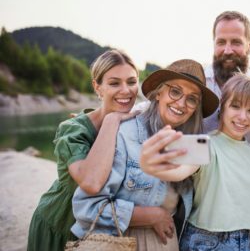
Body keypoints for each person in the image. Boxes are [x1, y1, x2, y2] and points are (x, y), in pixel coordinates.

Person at [71, 59, 219, 251]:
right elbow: (86, 208)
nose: (182, 103)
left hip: (169, 242)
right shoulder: (124, 134)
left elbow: (187, 177)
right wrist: (150, 215)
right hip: (122, 242)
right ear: (159, 93)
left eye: (192, 99)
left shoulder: (192, 144)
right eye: (175, 91)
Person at [140, 73, 250, 251]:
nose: (242, 116)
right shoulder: (204, 144)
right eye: (235, 106)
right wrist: (152, 167)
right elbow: (179, 171)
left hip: (245, 242)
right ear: (223, 107)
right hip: (204, 242)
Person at [27, 49, 142, 251]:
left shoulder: (135, 123)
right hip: (59, 227)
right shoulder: (73, 130)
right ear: (97, 87)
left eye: (131, 82)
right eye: (114, 83)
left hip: (105, 233)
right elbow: (91, 182)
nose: (126, 90)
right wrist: (111, 120)